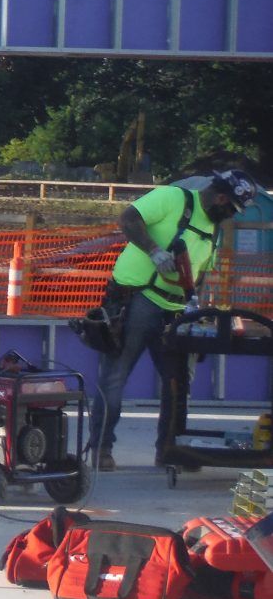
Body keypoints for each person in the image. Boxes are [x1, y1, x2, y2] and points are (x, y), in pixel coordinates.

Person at [88, 168, 258, 470]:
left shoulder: (214, 229)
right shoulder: (171, 198)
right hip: (136, 300)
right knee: (115, 377)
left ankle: (169, 451)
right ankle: (101, 449)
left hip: (175, 312)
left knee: (177, 383)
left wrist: (199, 309)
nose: (230, 216)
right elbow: (128, 219)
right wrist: (153, 251)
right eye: (231, 209)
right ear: (221, 197)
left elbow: (200, 274)